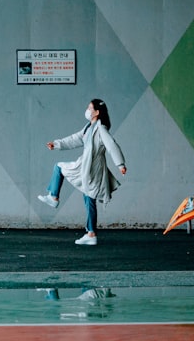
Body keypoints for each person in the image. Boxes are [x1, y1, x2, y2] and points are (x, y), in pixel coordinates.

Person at [38, 99, 127, 245]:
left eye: (89, 108)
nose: (87, 110)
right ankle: (91, 234)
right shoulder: (88, 127)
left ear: (97, 112)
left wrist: (120, 164)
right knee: (88, 198)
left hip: (92, 168)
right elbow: (75, 139)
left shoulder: (101, 129)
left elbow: (112, 145)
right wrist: (57, 144)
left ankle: (54, 197)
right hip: (85, 165)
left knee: (59, 168)